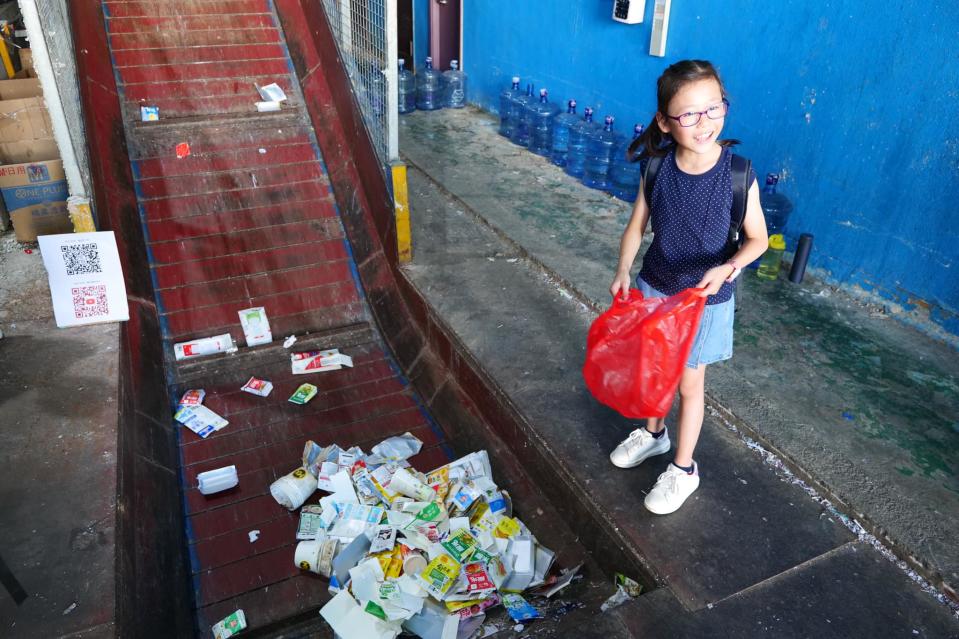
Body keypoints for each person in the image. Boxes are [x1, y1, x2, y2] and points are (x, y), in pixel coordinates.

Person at [607, 60, 768, 514]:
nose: (705, 123)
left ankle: (683, 469)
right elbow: (636, 226)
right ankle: (655, 436)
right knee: (655, 368)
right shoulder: (656, 168)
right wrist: (623, 269)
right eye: (690, 114)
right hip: (656, 286)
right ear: (664, 121)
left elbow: (758, 240)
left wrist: (729, 266)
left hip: (703, 299)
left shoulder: (738, 173)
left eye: (714, 109)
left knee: (688, 384)